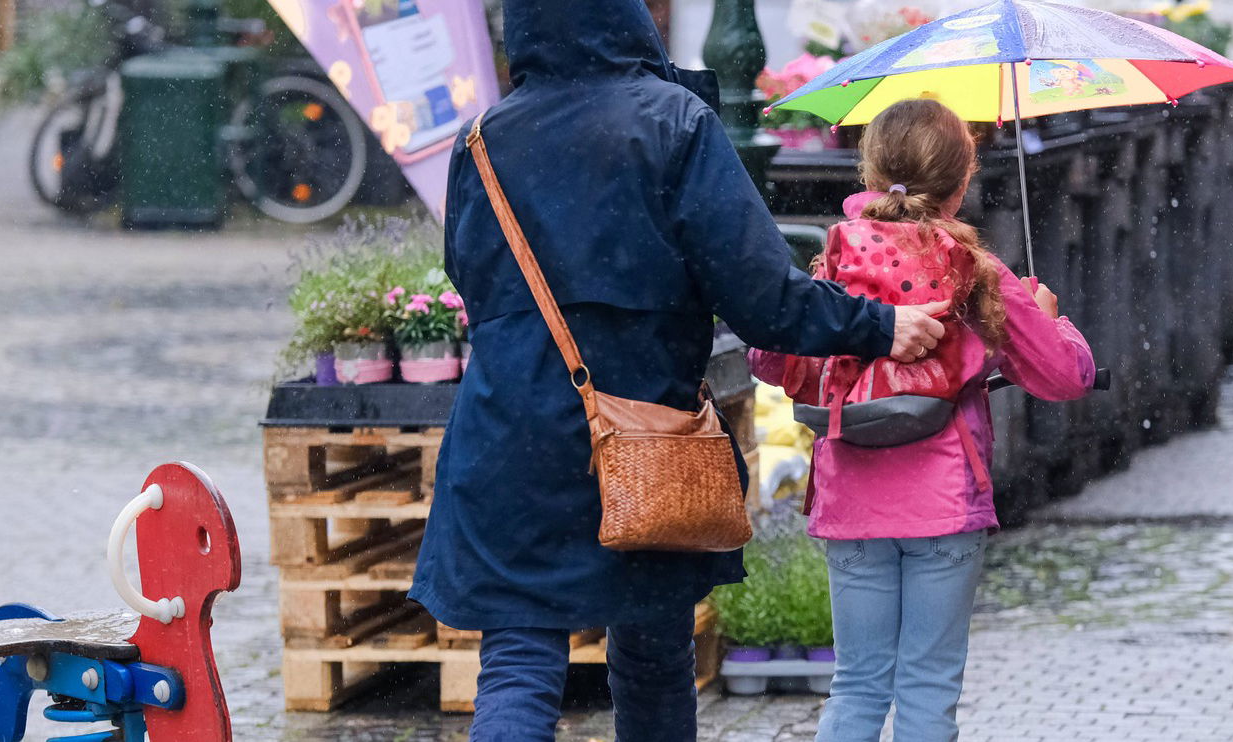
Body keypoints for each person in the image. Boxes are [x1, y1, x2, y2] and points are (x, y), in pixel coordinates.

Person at [405, 1, 950, 740]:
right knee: (655, 652)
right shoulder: (672, 123)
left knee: (520, 659)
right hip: (647, 433)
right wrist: (880, 326)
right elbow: (762, 298)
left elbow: (472, 281)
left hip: (509, 440)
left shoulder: (482, 139)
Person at [749, 99, 1096, 742]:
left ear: (868, 171)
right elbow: (1064, 376)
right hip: (942, 504)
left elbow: (768, 360)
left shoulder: (835, 265)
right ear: (963, 182)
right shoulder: (975, 271)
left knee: (856, 686)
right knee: (928, 691)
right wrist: (1047, 318)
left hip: (852, 503)